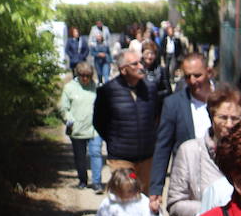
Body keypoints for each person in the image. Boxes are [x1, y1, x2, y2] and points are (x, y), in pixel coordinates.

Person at [165, 85, 241, 216]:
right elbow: (175, 203)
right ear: (211, 117)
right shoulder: (189, 151)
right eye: (223, 117)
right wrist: (213, 211)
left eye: (235, 118)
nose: (229, 124)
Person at [149, 53, 215, 215]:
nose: (193, 81)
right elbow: (163, 147)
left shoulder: (225, 98)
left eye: (197, 75)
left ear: (209, 72)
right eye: (187, 76)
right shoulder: (173, 104)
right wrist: (156, 188)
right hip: (189, 186)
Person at [93, 49, 159, 193]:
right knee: (125, 198)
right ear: (123, 70)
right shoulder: (107, 91)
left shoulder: (150, 88)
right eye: (135, 64)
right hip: (121, 157)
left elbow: (156, 117)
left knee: (143, 201)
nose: (141, 67)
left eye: (140, 62)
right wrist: (115, 140)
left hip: (146, 157)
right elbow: (99, 122)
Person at [59, 62, 102, 191]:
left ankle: (97, 182)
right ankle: (83, 180)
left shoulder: (96, 87)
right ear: (78, 75)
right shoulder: (69, 88)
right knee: (80, 157)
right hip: (77, 129)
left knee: (96, 153)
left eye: (88, 76)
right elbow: (63, 108)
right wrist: (68, 119)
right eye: (83, 76)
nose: (85, 79)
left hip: (94, 129)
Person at [142, 39, 172, 110]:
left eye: (152, 54)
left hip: (158, 107)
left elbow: (168, 91)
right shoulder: (138, 69)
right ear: (142, 54)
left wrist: (154, 94)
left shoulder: (161, 70)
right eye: (147, 53)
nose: (149, 57)